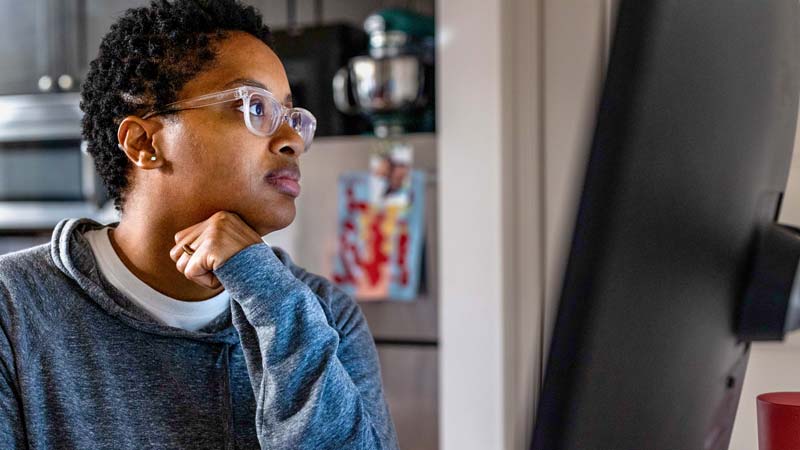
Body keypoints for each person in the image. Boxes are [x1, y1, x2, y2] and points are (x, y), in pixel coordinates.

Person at [0, 1, 399, 449]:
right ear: (144, 142)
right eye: (255, 107)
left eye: (292, 118)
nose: (291, 141)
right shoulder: (13, 310)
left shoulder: (324, 314)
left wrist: (272, 298)